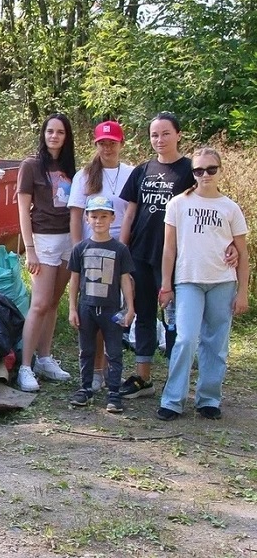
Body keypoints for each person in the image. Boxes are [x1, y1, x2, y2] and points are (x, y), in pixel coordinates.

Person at [156, 148, 249, 421]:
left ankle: (209, 399)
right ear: (192, 174)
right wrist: (166, 284)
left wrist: (243, 292)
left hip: (222, 281)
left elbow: (242, 254)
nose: (205, 175)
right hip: (188, 280)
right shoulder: (178, 204)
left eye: (211, 169)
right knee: (185, 339)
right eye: (198, 170)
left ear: (220, 171)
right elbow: (169, 249)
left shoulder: (230, 208)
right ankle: (173, 399)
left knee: (215, 343)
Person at [118, 112, 194, 399]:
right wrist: (122, 251)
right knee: (145, 314)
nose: (159, 139)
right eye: (154, 135)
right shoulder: (143, 170)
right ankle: (143, 378)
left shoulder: (190, 171)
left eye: (165, 133)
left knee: (174, 318)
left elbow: (203, 208)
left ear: (178, 134)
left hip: (175, 257)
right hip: (140, 253)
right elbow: (130, 213)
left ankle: (176, 382)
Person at [68, 120, 134, 391]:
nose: (107, 147)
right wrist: (78, 253)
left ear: (121, 144)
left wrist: (124, 250)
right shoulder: (84, 175)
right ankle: (95, 371)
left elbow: (132, 213)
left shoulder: (131, 173)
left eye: (112, 142)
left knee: (114, 313)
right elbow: (75, 215)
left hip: (118, 250)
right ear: (95, 145)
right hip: (91, 253)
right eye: (102, 143)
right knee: (92, 312)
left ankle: (112, 370)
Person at [16, 113, 76, 392]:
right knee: (39, 304)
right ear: (43, 134)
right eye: (50, 131)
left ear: (67, 137)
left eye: (60, 132)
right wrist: (30, 250)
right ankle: (25, 367)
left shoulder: (71, 167)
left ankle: (45, 358)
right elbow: (22, 211)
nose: (54, 136)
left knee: (53, 302)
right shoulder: (31, 166)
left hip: (68, 239)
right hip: (42, 240)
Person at [67, 196, 136, 414]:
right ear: (87, 218)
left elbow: (125, 279)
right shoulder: (80, 248)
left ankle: (114, 392)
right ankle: (85, 388)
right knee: (86, 350)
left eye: (104, 216)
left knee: (114, 351)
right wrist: (72, 308)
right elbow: (75, 280)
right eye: (94, 216)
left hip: (112, 309)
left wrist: (130, 307)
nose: (99, 221)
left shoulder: (120, 249)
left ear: (112, 218)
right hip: (86, 307)